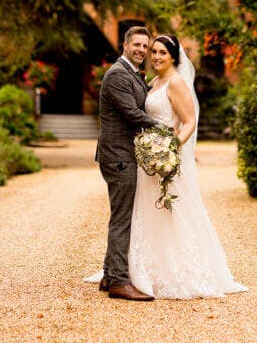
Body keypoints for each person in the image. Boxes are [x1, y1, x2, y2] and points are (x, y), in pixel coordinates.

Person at [128, 34, 247, 299]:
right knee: (150, 211)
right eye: (154, 52)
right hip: (150, 157)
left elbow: (189, 121)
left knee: (174, 211)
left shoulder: (176, 82)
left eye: (162, 53)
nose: (156, 57)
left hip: (167, 155)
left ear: (173, 57)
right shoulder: (154, 82)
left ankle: (179, 270)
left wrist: (171, 147)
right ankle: (148, 266)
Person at [94, 26, 158, 301]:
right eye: (137, 45)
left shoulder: (132, 73)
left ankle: (110, 274)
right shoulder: (118, 74)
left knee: (123, 215)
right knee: (122, 218)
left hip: (123, 154)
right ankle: (120, 281)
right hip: (118, 156)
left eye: (145, 46)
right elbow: (132, 114)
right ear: (125, 44)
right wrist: (163, 126)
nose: (142, 50)